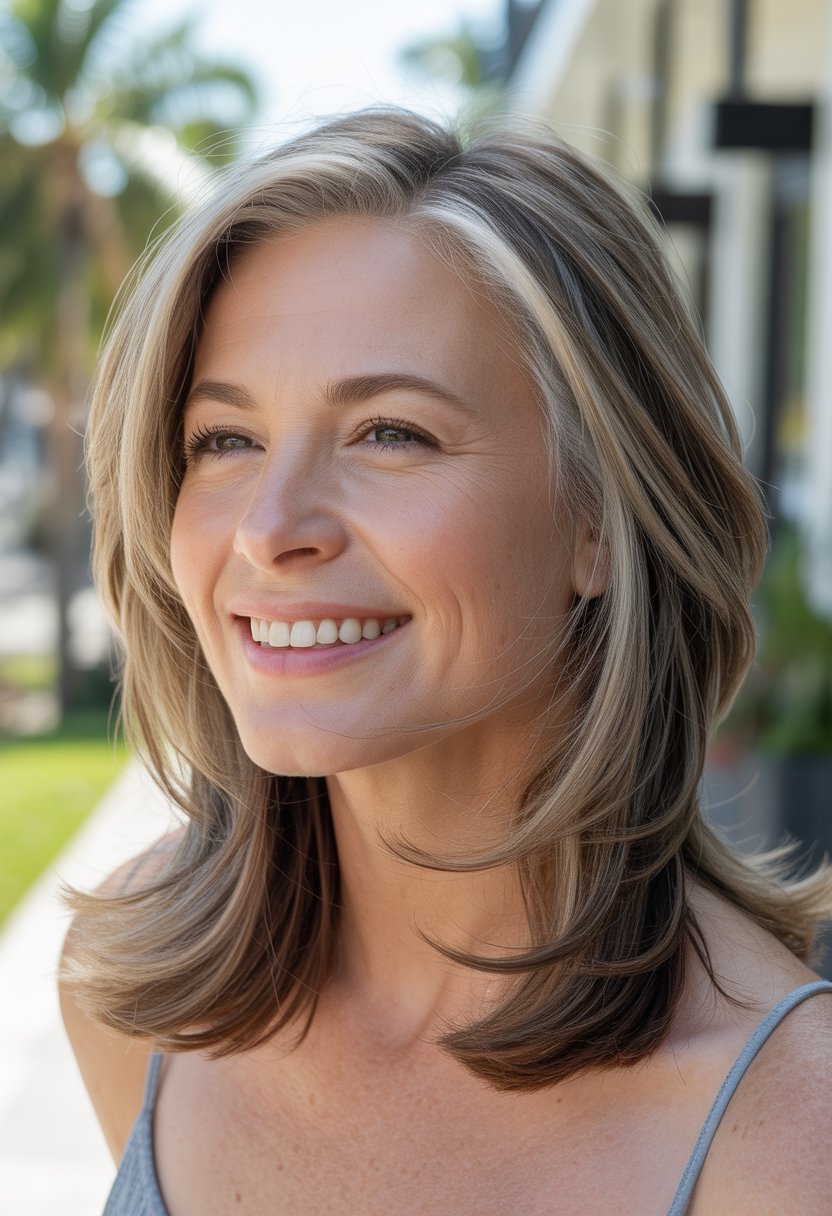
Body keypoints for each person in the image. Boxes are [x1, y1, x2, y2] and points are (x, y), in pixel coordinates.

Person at [60, 106, 832, 1215]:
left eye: (390, 433)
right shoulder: (133, 996)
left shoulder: (781, 1139)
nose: (271, 529)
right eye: (225, 440)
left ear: (599, 521)